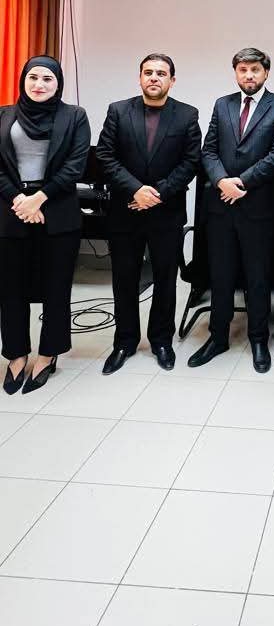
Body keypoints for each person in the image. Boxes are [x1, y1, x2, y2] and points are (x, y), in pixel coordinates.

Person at [96, 53, 201, 374]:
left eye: (161, 73)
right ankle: (124, 342)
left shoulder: (187, 115)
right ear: (140, 77)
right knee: (124, 279)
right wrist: (136, 190)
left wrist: (156, 194)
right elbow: (105, 156)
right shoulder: (118, 111)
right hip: (125, 211)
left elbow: (190, 162)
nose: (154, 77)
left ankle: (161, 341)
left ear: (172, 80)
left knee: (166, 280)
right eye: (148, 72)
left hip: (166, 212)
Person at [193, 47, 274, 372]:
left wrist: (242, 182)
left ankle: (258, 339)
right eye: (242, 70)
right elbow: (208, 151)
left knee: (257, 277)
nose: (248, 75)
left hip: (258, 208)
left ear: (266, 72)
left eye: (255, 70)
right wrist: (222, 181)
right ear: (235, 73)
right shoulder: (222, 104)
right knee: (220, 275)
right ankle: (217, 338)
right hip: (221, 207)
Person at [0, 56, 90, 394]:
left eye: (47, 79)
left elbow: (76, 165)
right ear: (23, 80)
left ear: (58, 83)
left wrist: (39, 198)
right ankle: (16, 354)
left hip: (58, 210)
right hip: (11, 210)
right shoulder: (3, 115)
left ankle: (48, 353)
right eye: (33, 77)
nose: (39, 84)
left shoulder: (75, 116)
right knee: (11, 288)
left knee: (56, 288)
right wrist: (20, 200)